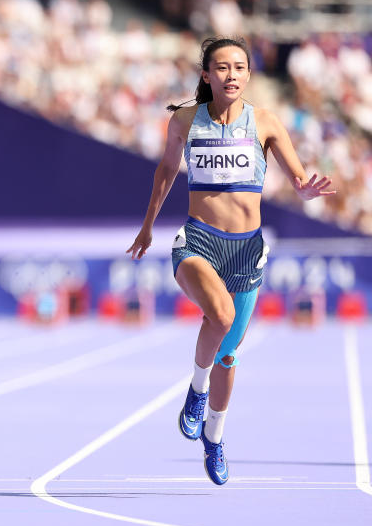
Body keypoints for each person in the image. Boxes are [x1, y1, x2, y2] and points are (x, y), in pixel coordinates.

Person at [127, 37, 334, 485]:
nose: (232, 75)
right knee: (218, 316)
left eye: (239, 67)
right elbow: (165, 172)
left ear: (249, 74)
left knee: (228, 355)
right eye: (222, 68)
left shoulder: (267, 122)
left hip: (246, 250)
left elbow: (298, 179)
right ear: (206, 75)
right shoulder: (185, 120)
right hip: (200, 241)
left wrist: (306, 189)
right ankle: (195, 394)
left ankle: (215, 438)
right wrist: (147, 226)